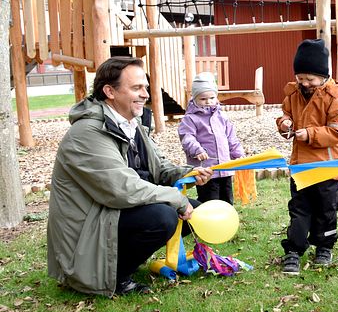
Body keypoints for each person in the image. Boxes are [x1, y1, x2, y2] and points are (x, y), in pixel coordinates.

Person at [47, 57, 212, 297]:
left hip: (112, 211)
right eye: (136, 88)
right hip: (89, 229)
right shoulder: (87, 133)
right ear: (109, 91)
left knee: (195, 213)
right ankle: (113, 277)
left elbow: (158, 168)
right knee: (164, 216)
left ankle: (122, 261)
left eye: (145, 87)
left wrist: (189, 173)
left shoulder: (130, 124)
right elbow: (121, 188)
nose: (145, 94)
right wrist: (175, 198)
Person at [277, 39, 338, 275]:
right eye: (301, 78)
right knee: (299, 211)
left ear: (323, 76)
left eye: (310, 79)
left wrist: (310, 134)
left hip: (328, 168)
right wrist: (285, 124)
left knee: (326, 211)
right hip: (300, 167)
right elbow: (284, 115)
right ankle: (293, 250)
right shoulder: (292, 94)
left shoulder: (334, 98)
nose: (305, 83)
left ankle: (324, 246)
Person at [178, 72, 245, 204]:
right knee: (210, 200)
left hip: (225, 168)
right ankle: (208, 223)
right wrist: (197, 150)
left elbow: (231, 137)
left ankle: (226, 222)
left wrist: (238, 153)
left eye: (211, 98)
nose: (208, 101)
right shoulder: (190, 119)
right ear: (194, 98)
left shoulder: (222, 117)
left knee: (227, 199)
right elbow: (187, 137)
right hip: (206, 171)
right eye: (203, 99)